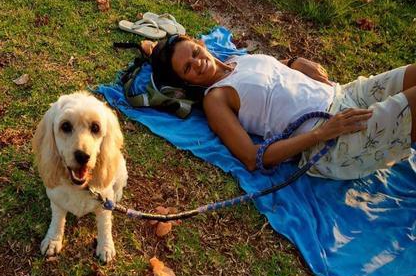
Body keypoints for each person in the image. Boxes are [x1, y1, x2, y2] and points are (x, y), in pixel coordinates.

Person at [146, 35, 415, 180]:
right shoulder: (215, 100)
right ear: (184, 80)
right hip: (332, 137)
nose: (198, 63)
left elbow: (272, 72)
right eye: (188, 68)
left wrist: (295, 61)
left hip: (343, 92)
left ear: (199, 43)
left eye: (194, 53)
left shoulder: (238, 60)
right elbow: (252, 158)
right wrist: (322, 134)